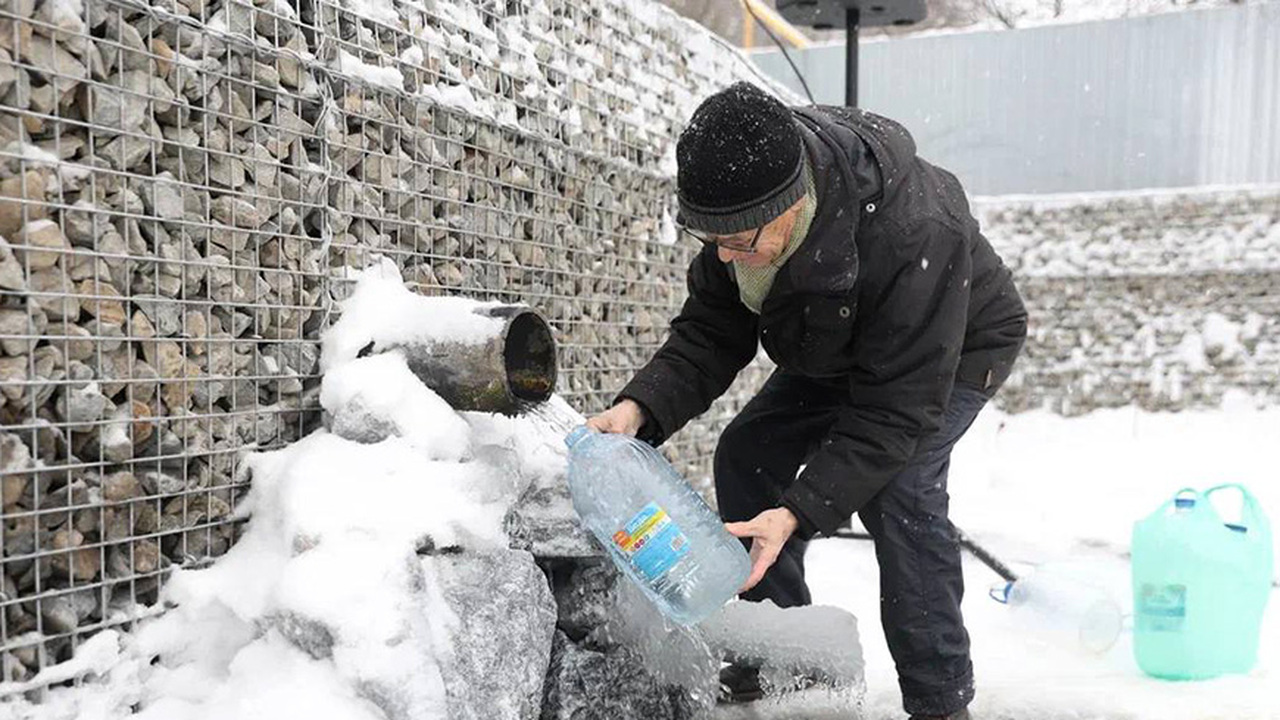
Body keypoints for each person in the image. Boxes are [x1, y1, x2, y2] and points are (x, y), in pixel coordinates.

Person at [586, 81, 1027, 720]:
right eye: (714, 242)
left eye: (741, 242)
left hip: (952, 348)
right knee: (748, 451)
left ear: (793, 204)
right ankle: (785, 656)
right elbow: (711, 332)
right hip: (837, 344)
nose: (727, 255)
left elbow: (893, 412)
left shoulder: (916, 230)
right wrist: (639, 410)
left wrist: (798, 511)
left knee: (899, 493)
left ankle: (939, 698)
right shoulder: (737, 209)